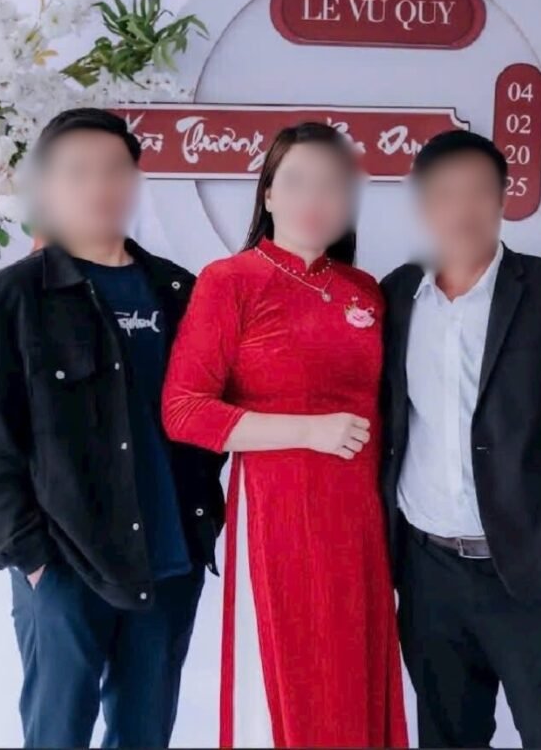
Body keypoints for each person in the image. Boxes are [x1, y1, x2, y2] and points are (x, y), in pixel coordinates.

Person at [0, 108, 226, 748]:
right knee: (57, 736)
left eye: (113, 170)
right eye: (78, 172)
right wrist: (33, 561)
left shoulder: (181, 292)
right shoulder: (9, 299)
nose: (100, 186)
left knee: (144, 734)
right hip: (66, 566)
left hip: (169, 561)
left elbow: (206, 414)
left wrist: (200, 522)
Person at [160, 122, 407, 749]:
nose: (313, 199)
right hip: (277, 515)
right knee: (286, 684)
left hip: (360, 522)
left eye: (331, 185)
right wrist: (308, 431)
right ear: (267, 193)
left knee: (351, 682)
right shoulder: (230, 280)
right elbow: (183, 410)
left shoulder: (365, 292)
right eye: (296, 182)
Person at [379, 129, 541, 749]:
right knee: (447, 737)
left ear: (506, 197)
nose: (462, 208)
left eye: (478, 191)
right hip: (428, 572)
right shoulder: (394, 296)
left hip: (533, 568)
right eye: (445, 193)